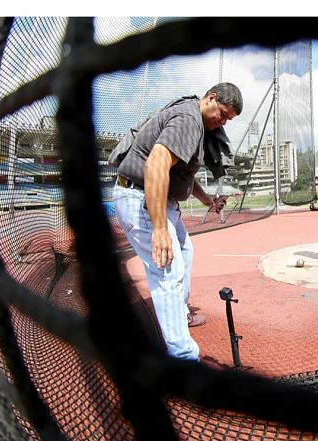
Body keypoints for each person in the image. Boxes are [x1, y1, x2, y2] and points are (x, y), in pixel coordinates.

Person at [113, 83, 243, 362]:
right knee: (168, 269)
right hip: (141, 198)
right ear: (211, 98)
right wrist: (160, 228)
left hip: (153, 198)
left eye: (228, 119)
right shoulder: (189, 119)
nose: (223, 121)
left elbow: (182, 174)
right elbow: (156, 164)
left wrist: (207, 200)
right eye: (222, 113)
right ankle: (183, 357)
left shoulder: (194, 121)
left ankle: (178, 316)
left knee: (184, 251)